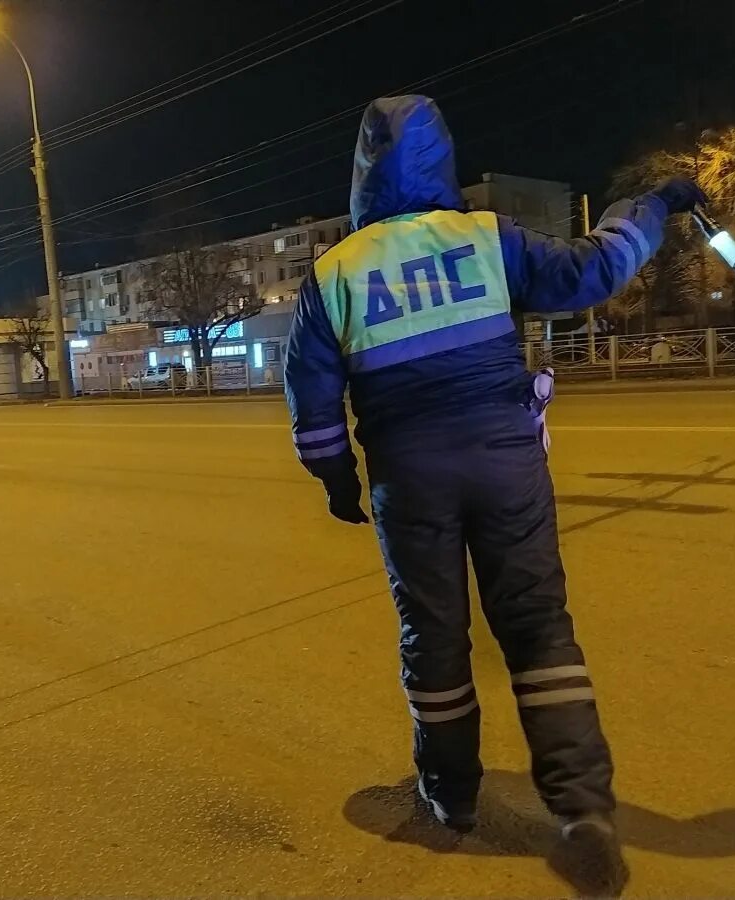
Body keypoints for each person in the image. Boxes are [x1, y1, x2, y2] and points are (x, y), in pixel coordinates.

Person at [284, 95, 704, 895]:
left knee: (435, 641)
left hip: (411, 480)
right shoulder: (487, 240)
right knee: (541, 629)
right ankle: (582, 811)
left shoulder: (334, 271)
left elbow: (310, 395)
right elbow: (594, 271)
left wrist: (335, 475)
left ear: (362, 174)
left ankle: (451, 799)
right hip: (506, 462)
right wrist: (646, 209)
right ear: (441, 161)